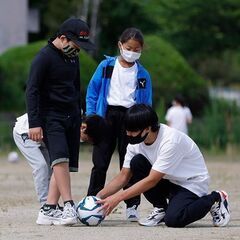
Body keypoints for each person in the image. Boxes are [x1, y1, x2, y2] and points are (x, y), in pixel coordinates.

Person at [97, 104, 230, 228]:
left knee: (174, 220)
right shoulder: (134, 143)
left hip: (190, 184)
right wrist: (97, 197)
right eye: (127, 130)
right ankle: (160, 208)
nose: (128, 135)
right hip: (168, 180)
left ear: (148, 128)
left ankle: (215, 199)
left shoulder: (170, 141)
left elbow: (152, 180)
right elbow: (123, 176)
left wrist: (117, 198)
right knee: (137, 162)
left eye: (133, 131)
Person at [25, 17, 95, 226]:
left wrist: (82, 116)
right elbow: (32, 91)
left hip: (72, 116)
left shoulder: (73, 58)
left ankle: (48, 209)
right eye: (76, 45)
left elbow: (76, 86)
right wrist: (34, 123)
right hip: (51, 117)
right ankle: (68, 205)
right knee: (60, 159)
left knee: (65, 165)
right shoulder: (44, 57)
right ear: (63, 38)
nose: (78, 50)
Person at [85, 28, 152, 221]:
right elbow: (93, 92)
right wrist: (91, 117)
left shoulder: (142, 74)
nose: (132, 52)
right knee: (100, 162)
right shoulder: (106, 66)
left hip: (130, 118)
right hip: (106, 115)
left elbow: (146, 101)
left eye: (137, 49)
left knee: (128, 162)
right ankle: (93, 201)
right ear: (120, 45)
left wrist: (144, 123)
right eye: (129, 47)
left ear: (141, 50)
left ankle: (132, 205)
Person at [13, 113, 51, 207]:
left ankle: (52, 203)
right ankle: (45, 206)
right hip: (25, 132)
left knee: (54, 168)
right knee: (41, 166)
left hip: (44, 136)